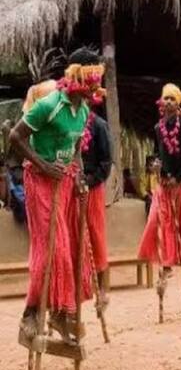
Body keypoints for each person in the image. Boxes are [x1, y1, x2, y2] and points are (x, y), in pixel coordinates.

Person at [10, 47, 106, 343]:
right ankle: (30, 315)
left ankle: (61, 315)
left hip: (64, 184)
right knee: (53, 250)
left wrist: (76, 174)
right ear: (78, 78)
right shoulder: (50, 104)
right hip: (39, 182)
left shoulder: (84, 111)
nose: (96, 88)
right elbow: (15, 137)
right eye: (91, 82)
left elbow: (76, 148)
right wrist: (43, 164)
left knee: (67, 249)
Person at [137, 83, 181, 297]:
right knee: (157, 222)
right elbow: (157, 154)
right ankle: (166, 268)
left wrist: (179, 177)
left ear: (178, 104)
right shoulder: (158, 128)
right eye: (165, 99)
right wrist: (156, 166)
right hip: (164, 185)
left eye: (172, 99)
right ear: (161, 103)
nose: (168, 102)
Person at [82, 105, 112, 308]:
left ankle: (103, 290)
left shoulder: (99, 125)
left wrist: (89, 180)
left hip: (92, 189)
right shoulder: (66, 122)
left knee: (96, 236)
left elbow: (106, 162)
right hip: (70, 189)